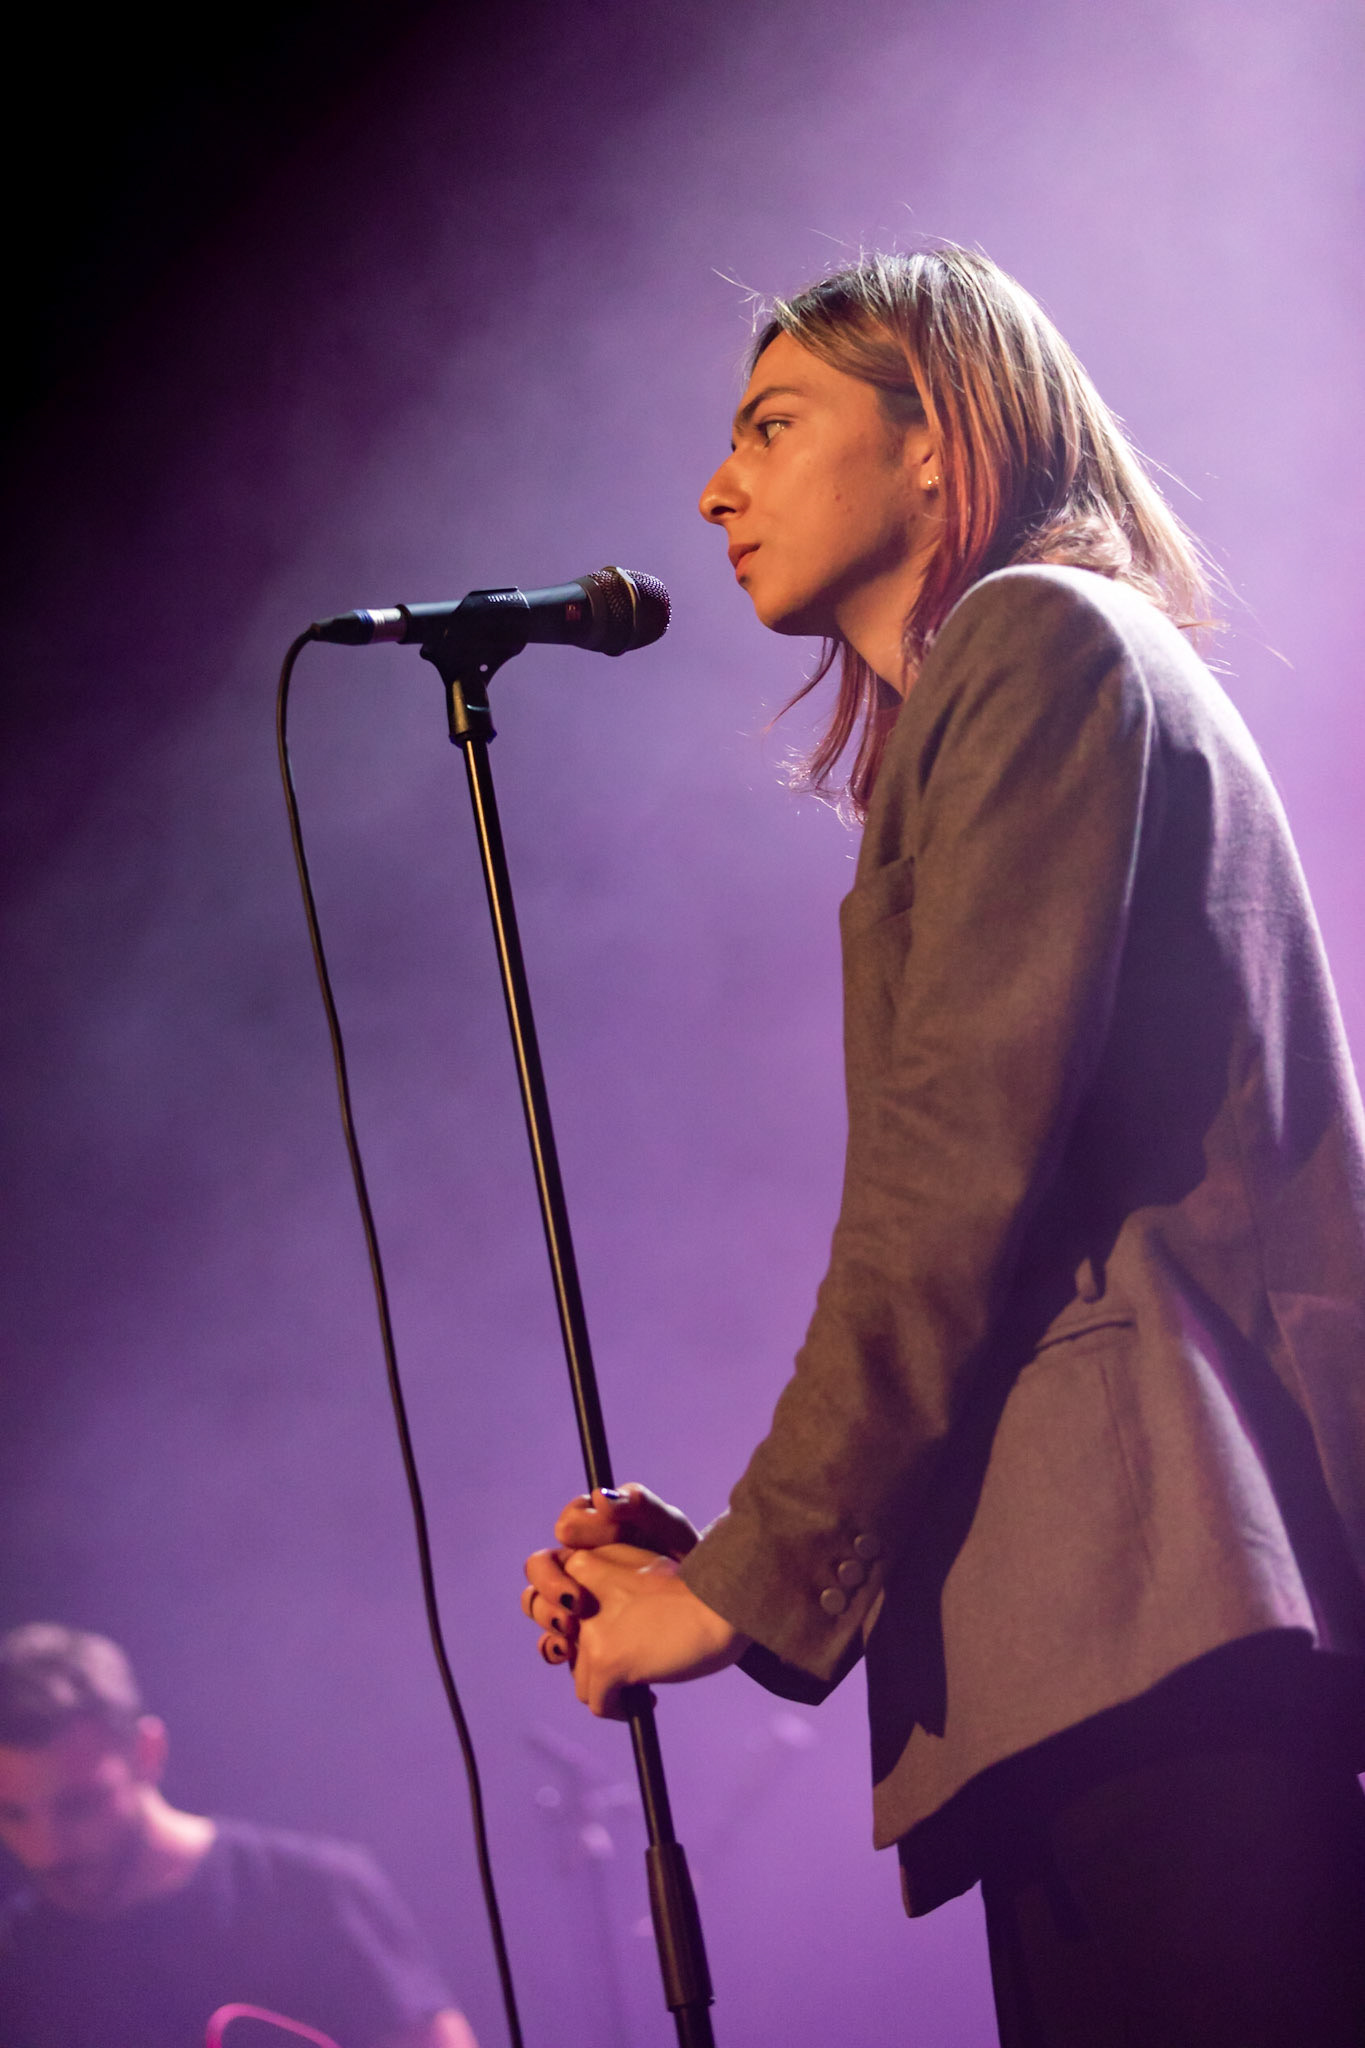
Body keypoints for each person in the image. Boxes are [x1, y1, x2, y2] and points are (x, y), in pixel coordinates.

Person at [521, 246, 1365, 2045]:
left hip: (1163, 1610)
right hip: (1114, 1618)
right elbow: (1011, 1230)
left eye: (772, 422)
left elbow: (948, 1192)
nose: (713, 485)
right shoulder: (1027, 682)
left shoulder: (1037, 642)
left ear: (937, 446)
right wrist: (735, 1542)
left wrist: (738, 1595)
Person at [0, 1623, 479, 2048]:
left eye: (79, 1806)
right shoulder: (15, 1960)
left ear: (147, 1752)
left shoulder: (310, 1891)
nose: (46, 1851)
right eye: (11, 1814)